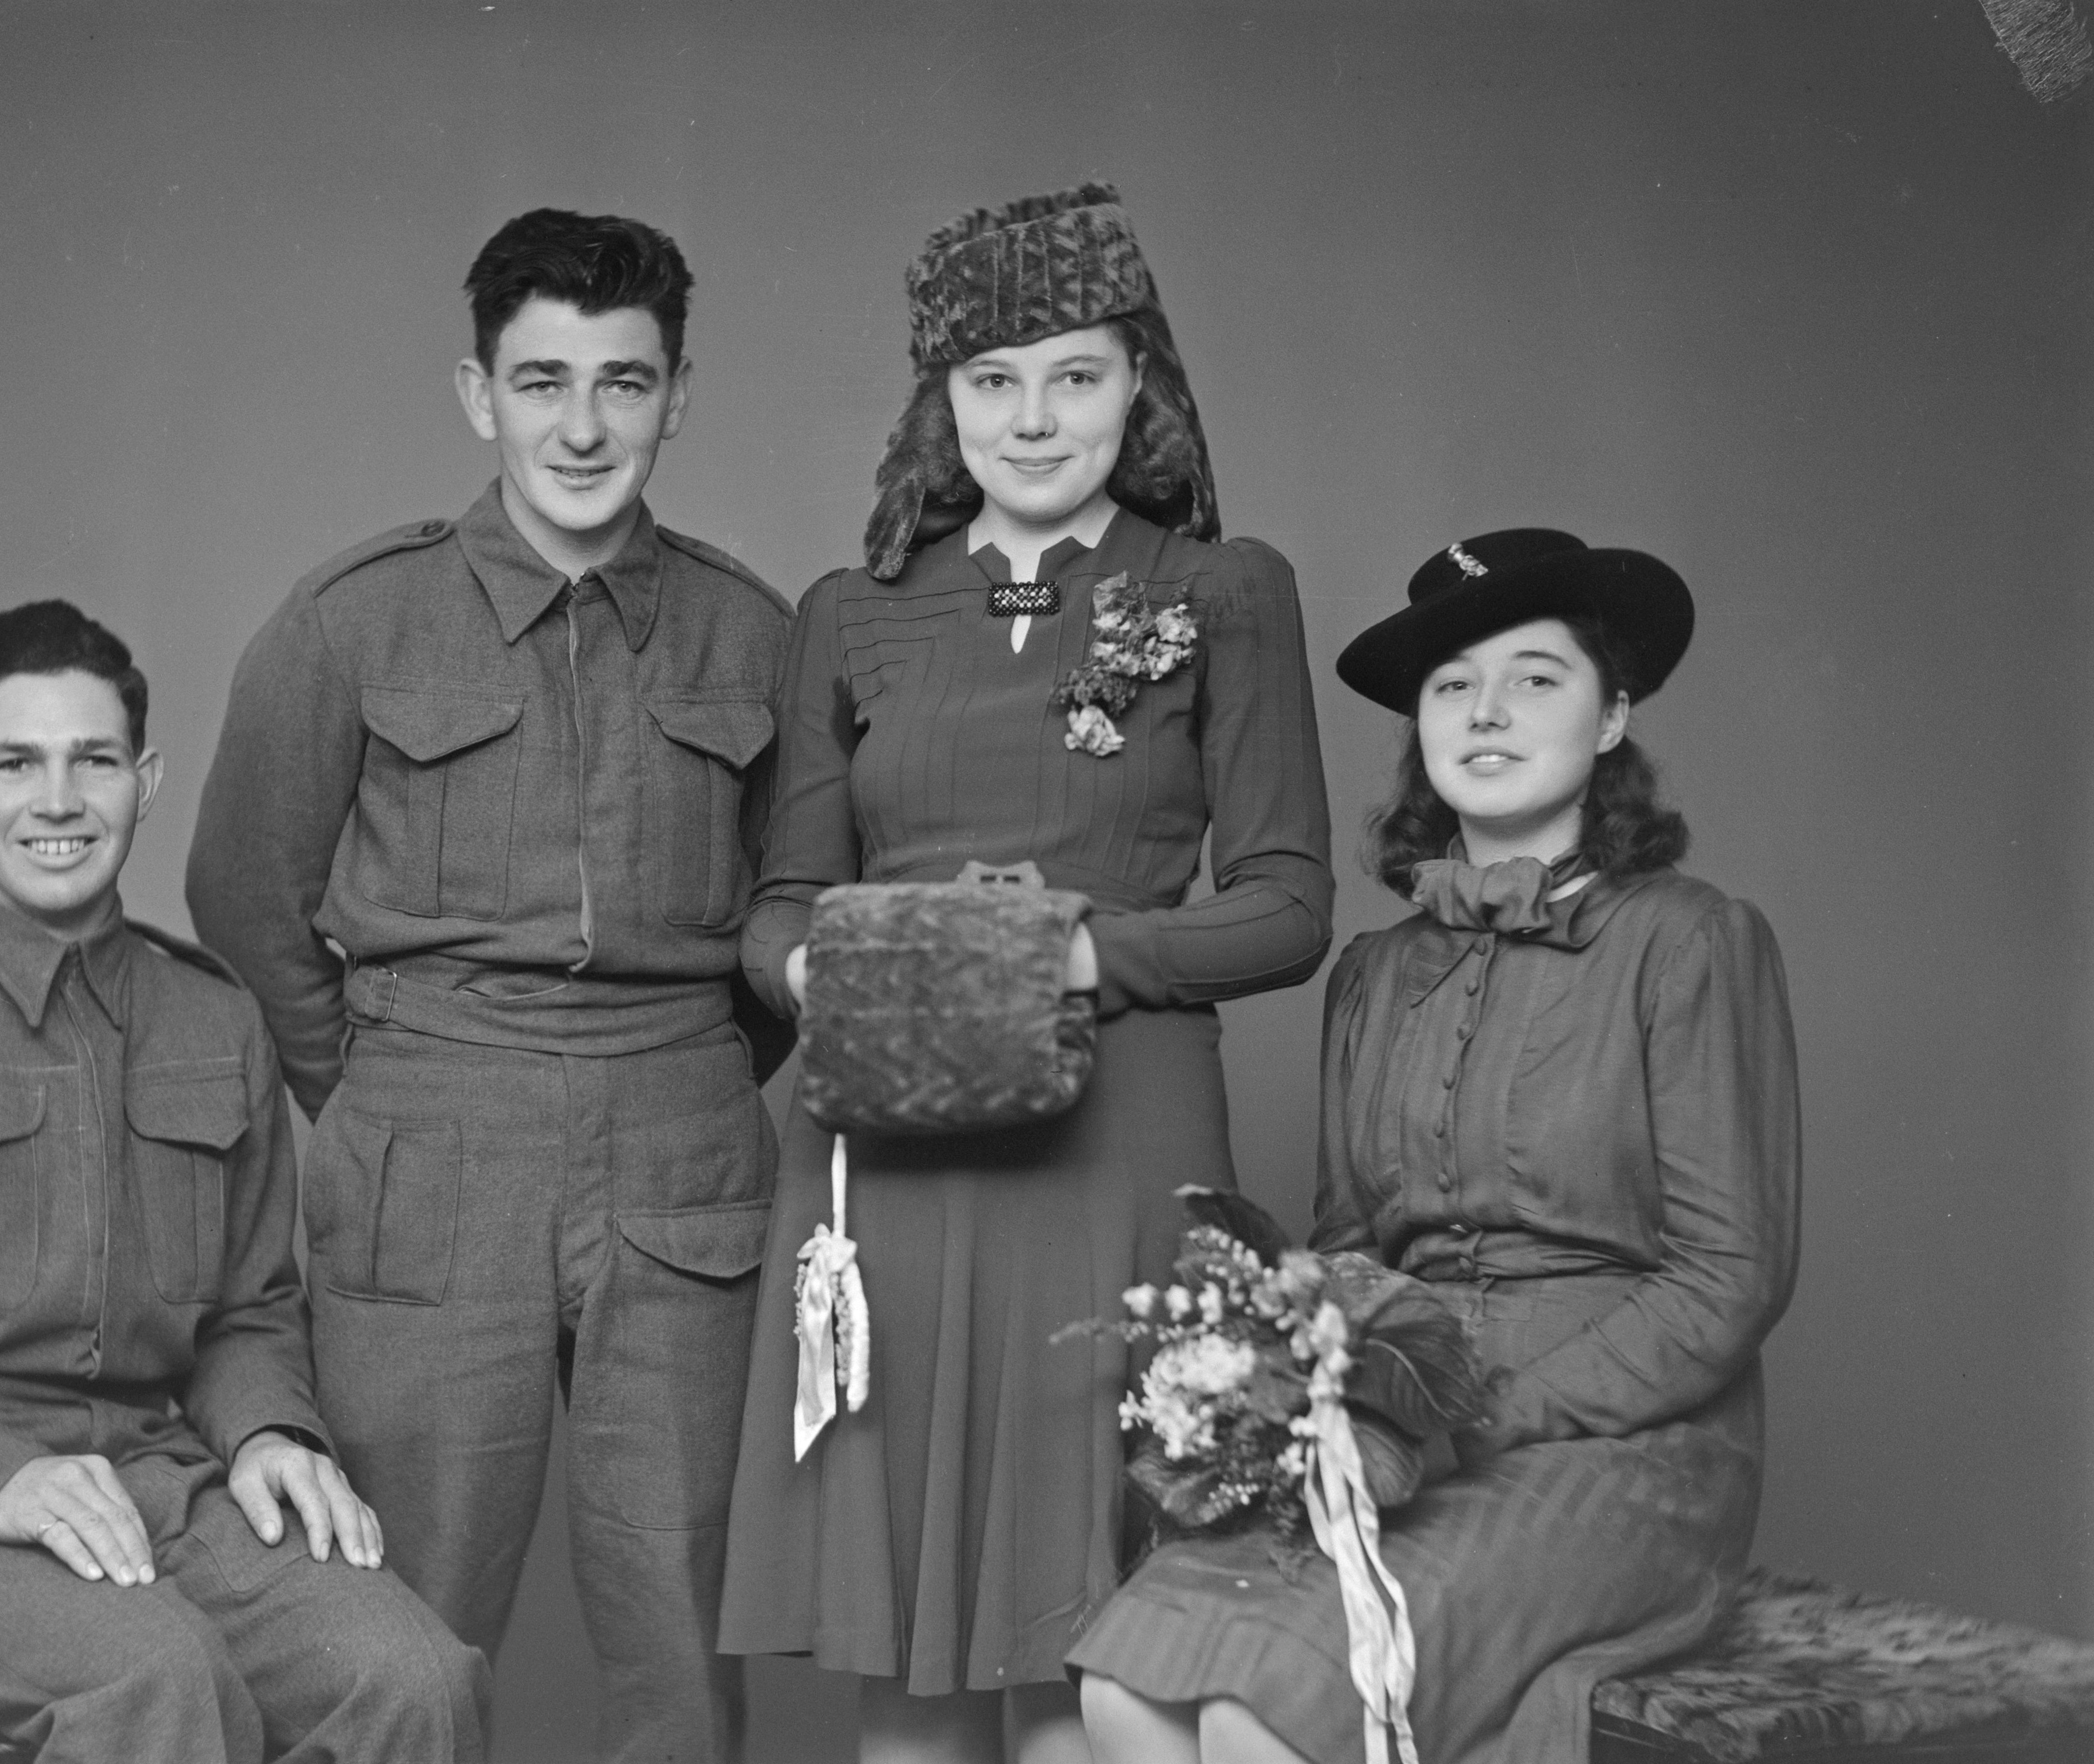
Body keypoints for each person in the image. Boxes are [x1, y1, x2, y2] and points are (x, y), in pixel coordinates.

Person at [717, 184, 1335, 1764]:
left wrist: (1073, 947)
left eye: (1074, 373)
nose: (1032, 415)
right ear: (941, 405)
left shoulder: (1220, 589)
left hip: (1112, 1155)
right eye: (990, 381)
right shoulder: (847, 613)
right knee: (911, 1662)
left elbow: (1284, 908)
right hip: (888, 1160)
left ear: (1143, 385)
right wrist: (845, 974)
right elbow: (778, 904)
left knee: (1091, 1645)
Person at [185, 207, 791, 1762]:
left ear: (677, 396)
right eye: (540, 382)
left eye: (622, 382)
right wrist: (377, 1082)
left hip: (681, 1142)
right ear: (477, 396)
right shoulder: (351, 619)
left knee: (680, 1608)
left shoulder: (755, 632)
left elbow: (799, 919)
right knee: (402, 1604)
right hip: (428, 1139)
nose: (581, 426)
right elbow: (244, 897)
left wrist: (694, 1071)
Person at [0, 601, 487, 1764]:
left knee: (412, 1681)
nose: (57, 802)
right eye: (17, 763)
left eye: (93, 762)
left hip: (152, 1483)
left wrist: (269, 1435)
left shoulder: (212, 1016)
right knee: (156, 1679)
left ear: (144, 780)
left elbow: (250, 1309)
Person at [1070, 530, 1802, 1763]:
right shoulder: (1373, 972)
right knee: (1123, 1692)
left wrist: (1489, 1412)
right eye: (1452, 686)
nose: (1487, 711)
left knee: (1265, 1715)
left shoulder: (1692, 941)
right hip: (1402, 1423)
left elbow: (1727, 1278)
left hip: (1622, 1449)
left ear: (1612, 713)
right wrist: (1321, 1399)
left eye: (1535, 677)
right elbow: (1350, 1247)